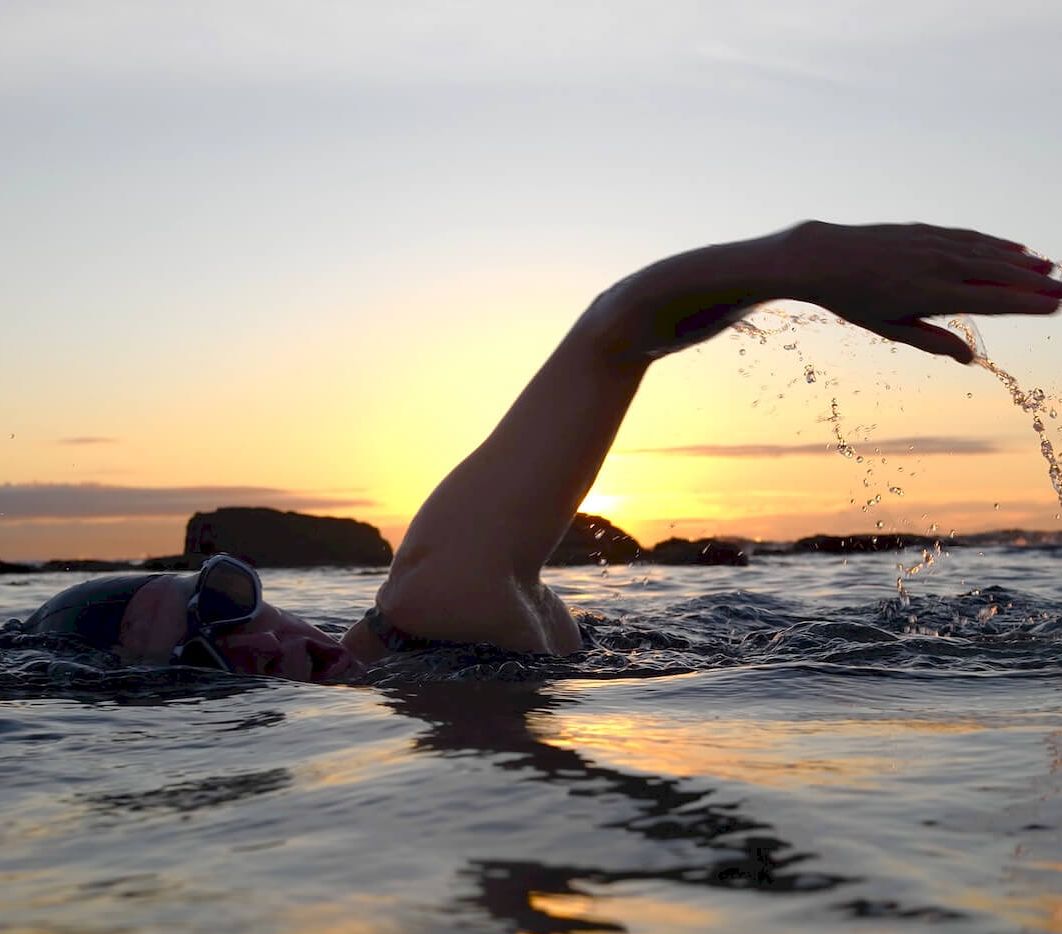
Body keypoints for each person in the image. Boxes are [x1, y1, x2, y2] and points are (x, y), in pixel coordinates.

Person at [22, 220, 1062, 682]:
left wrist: (801, 259)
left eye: (229, 592)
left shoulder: (438, 597)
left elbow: (619, 327)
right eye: (208, 647)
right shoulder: (424, 668)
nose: (254, 638)